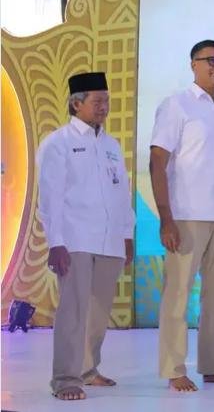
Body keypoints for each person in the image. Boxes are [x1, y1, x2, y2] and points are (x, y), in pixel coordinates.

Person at [150, 40, 214, 392]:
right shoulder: (177, 105)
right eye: (211, 60)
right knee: (178, 295)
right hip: (187, 216)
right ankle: (174, 369)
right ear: (193, 64)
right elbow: (157, 161)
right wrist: (166, 217)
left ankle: (213, 366)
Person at [37, 72, 135, 400]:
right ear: (76, 104)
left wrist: (127, 233)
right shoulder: (58, 143)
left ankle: (88, 370)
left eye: (106, 100)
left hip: (110, 240)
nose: (104, 106)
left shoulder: (111, 145)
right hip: (75, 238)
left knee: (97, 313)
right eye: (97, 101)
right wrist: (55, 242)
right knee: (73, 312)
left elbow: (122, 192)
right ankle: (65, 378)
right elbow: (50, 197)